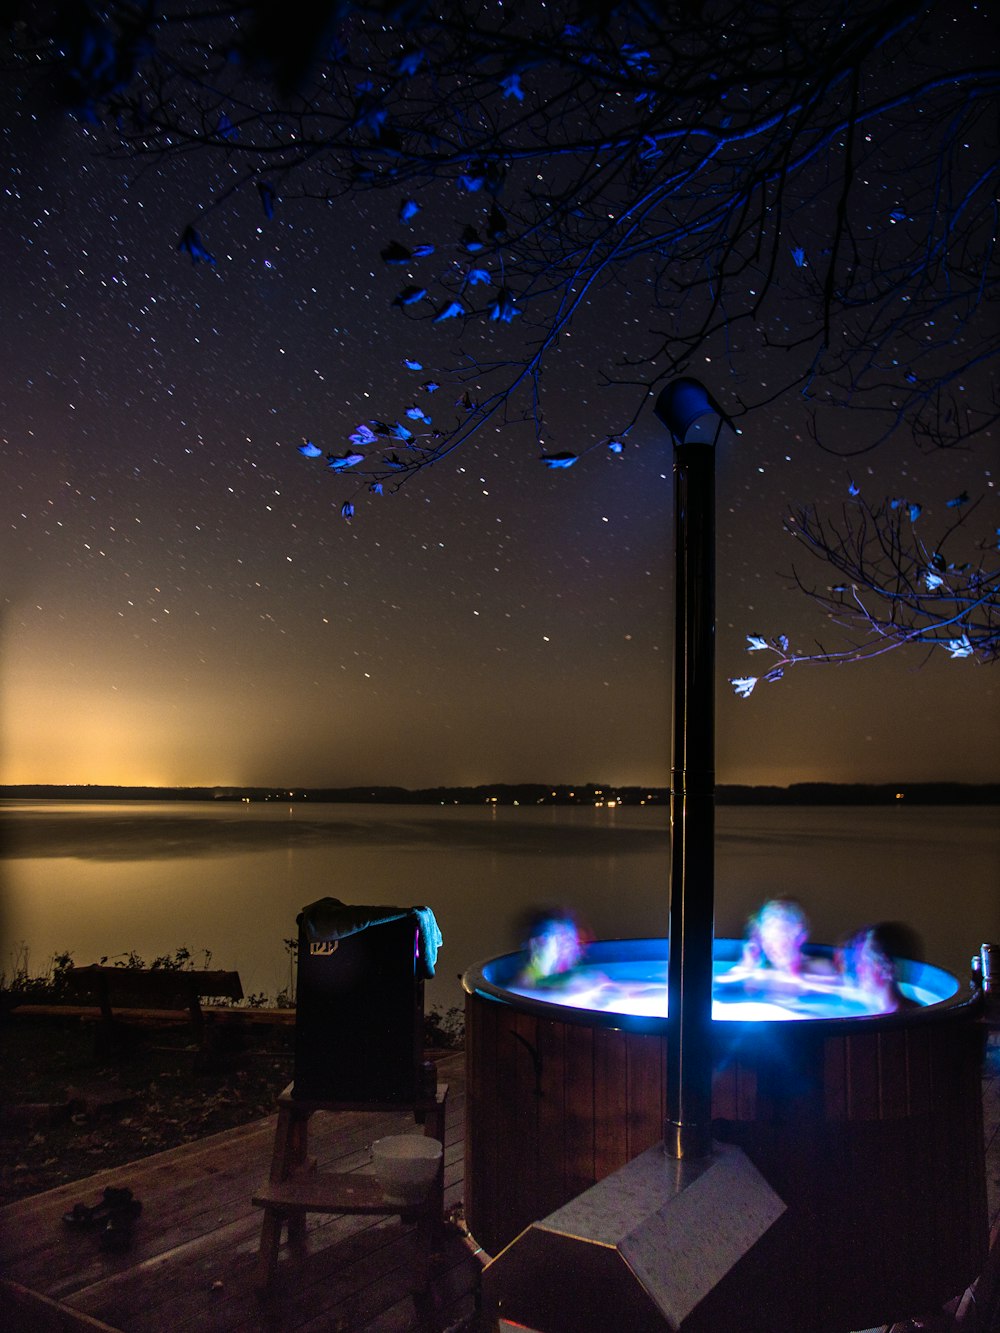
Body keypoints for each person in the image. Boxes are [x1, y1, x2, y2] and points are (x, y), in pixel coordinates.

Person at [718, 897, 835, 991]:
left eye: (782, 930)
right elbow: (716, 989)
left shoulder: (821, 969)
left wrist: (795, 976)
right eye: (768, 939)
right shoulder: (757, 974)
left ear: (800, 935)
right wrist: (745, 967)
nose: (773, 946)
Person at [839, 925, 918, 1013]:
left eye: (865, 962)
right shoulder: (884, 1013)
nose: (859, 969)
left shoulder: (904, 1020)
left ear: (887, 969)